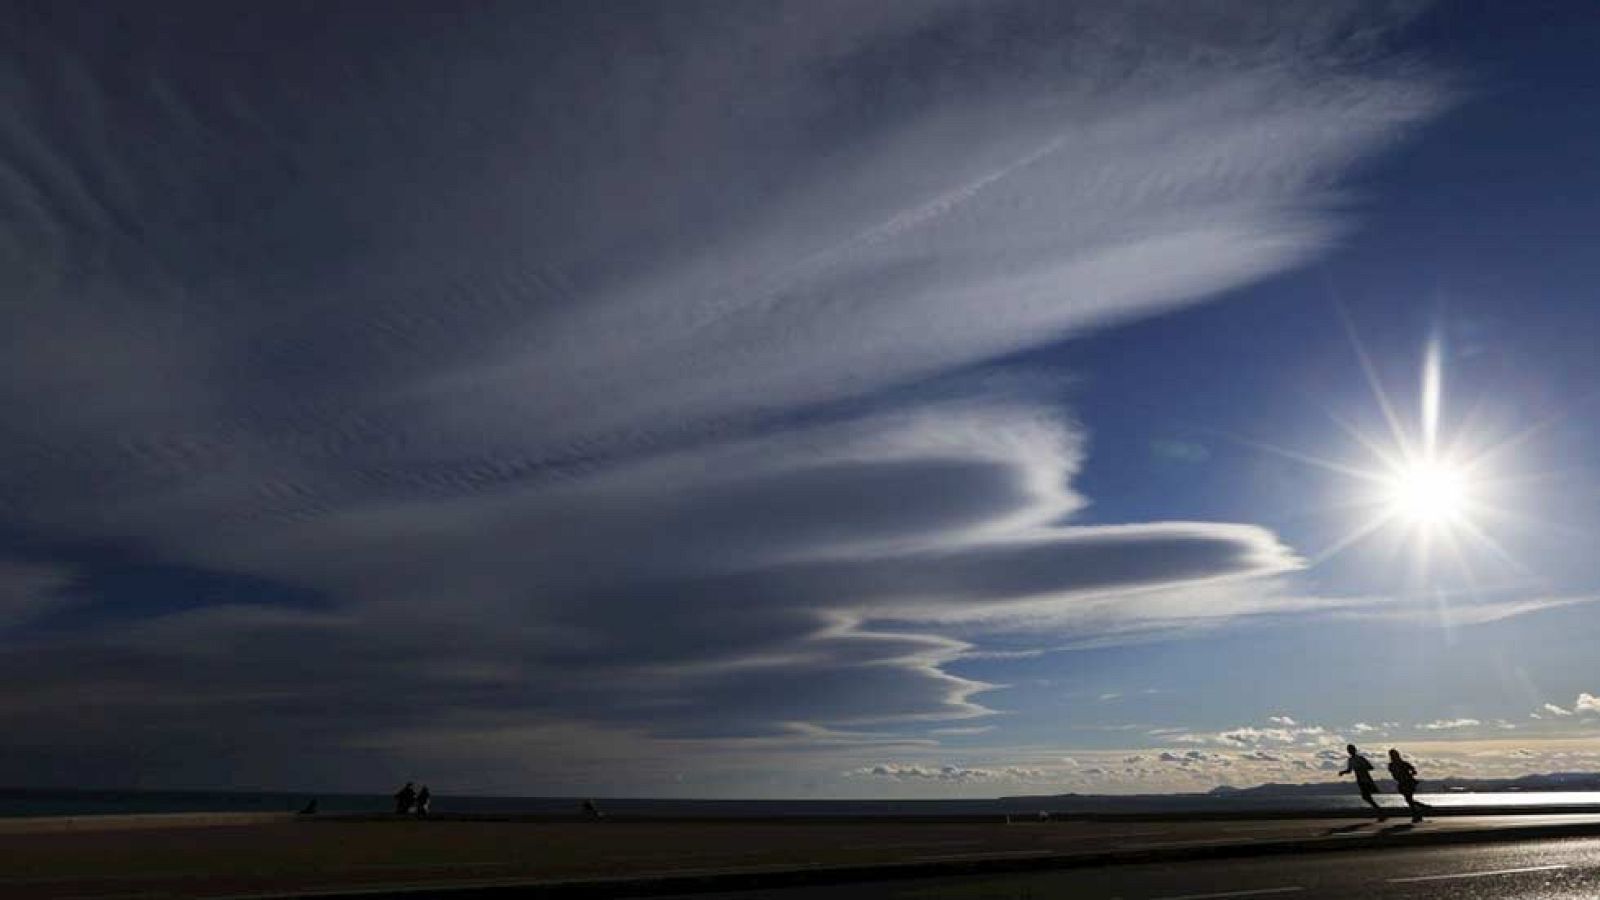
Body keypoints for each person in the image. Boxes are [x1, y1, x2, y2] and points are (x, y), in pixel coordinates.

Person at [1339, 744, 1386, 820]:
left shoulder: (1361, 758)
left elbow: (1370, 767)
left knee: (1366, 796)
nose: (1350, 751)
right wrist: (1343, 772)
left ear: (1355, 750)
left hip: (1366, 779)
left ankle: (1380, 812)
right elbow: (1349, 770)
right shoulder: (1350, 760)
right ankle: (1380, 812)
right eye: (1349, 750)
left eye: (1351, 749)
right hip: (1360, 780)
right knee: (1366, 797)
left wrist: (1362, 767)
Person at [1388, 749, 1423, 822]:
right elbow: (1394, 775)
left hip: (1408, 782)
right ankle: (1420, 810)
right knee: (1409, 799)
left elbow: (1414, 771)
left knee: (1409, 799)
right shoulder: (1393, 765)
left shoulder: (1401, 764)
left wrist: (1408, 775)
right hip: (1403, 783)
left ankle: (1417, 813)